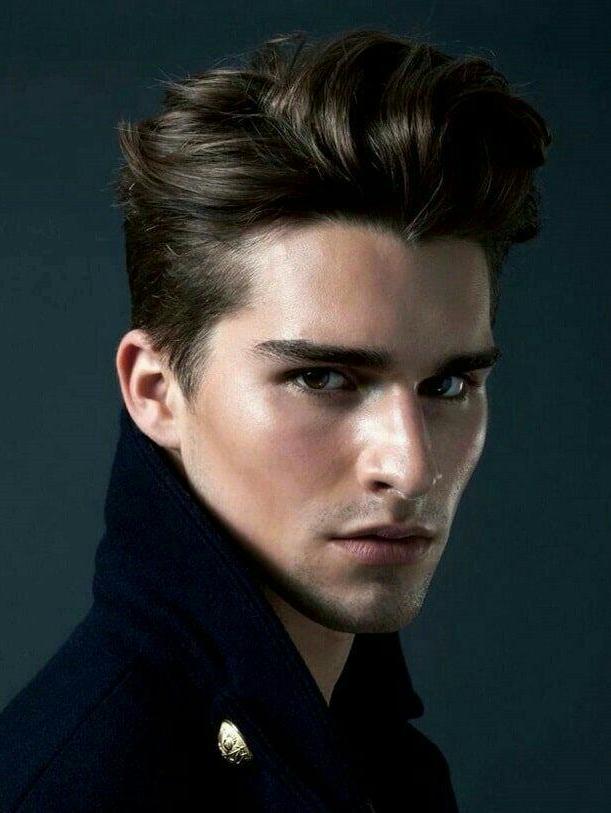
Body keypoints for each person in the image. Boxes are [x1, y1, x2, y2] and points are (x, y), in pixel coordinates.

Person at [0, 27, 551, 812]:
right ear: (156, 391)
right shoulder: (78, 784)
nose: (410, 465)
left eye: (447, 383)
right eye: (321, 377)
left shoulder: (375, 753)